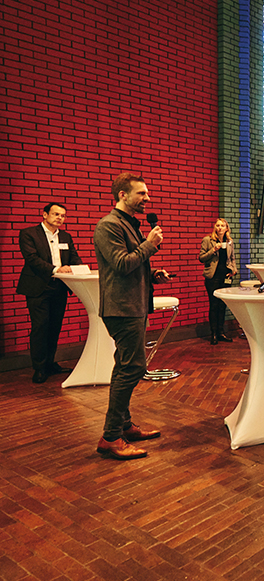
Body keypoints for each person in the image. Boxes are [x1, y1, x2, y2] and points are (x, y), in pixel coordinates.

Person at [93, 173, 170, 460]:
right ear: (122, 195)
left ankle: (124, 425)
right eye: (142, 194)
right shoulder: (108, 226)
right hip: (121, 309)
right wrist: (150, 244)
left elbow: (133, 264)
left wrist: (152, 275)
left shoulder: (128, 224)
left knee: (124, 366)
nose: (147, 199)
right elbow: (122, 264)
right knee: (133, 368)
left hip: (134, 305)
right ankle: (111, 437)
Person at [16, 202, 83, 383]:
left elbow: (74, 256)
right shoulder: (29, 234)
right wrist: (56, 269)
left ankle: (50, 364)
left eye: (62, 215)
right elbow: (31, 259)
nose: (59, 218)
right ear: (44, 215)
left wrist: (78, 268)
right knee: (40, 327)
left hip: (59, 287)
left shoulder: (66, 236)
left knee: (54, 327)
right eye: (55, 214)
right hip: (38, 287)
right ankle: (39, 368)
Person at [199, 218, 238, 344]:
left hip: (225, 277)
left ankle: (221, 332)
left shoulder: (229, 241)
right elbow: (201, 258)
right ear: (215, 227)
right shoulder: (208, 240)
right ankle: (214, 334)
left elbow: (232, 258)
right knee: (214, 305)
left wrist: (234, 270)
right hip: (212, 277)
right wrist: (213, 250)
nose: (220, 227)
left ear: (227, 228)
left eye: (223, 225)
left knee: (223, 305)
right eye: (218, 225)